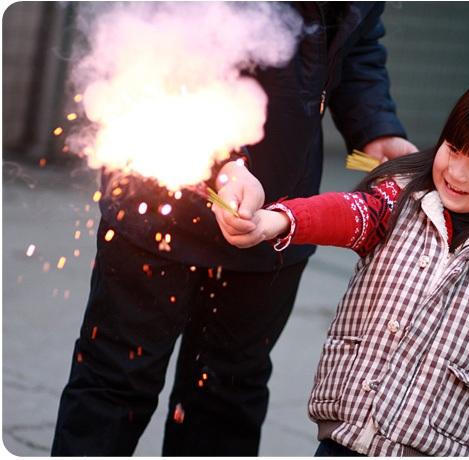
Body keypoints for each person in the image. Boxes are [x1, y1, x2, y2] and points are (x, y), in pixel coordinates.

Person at [51, 2, 417, 456]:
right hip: (163, 198)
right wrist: (220, 158)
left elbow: (355, 45)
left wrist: (375, 130)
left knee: (227, 395)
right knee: (116, 379)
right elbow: (164, 38)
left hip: (277, 212)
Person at [214, 76, 469, 456]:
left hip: (435, 444)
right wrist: (278, 220)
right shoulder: (400, 198)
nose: (456, 172)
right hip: (350, 430)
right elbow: (348, 213)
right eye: (453, 148)